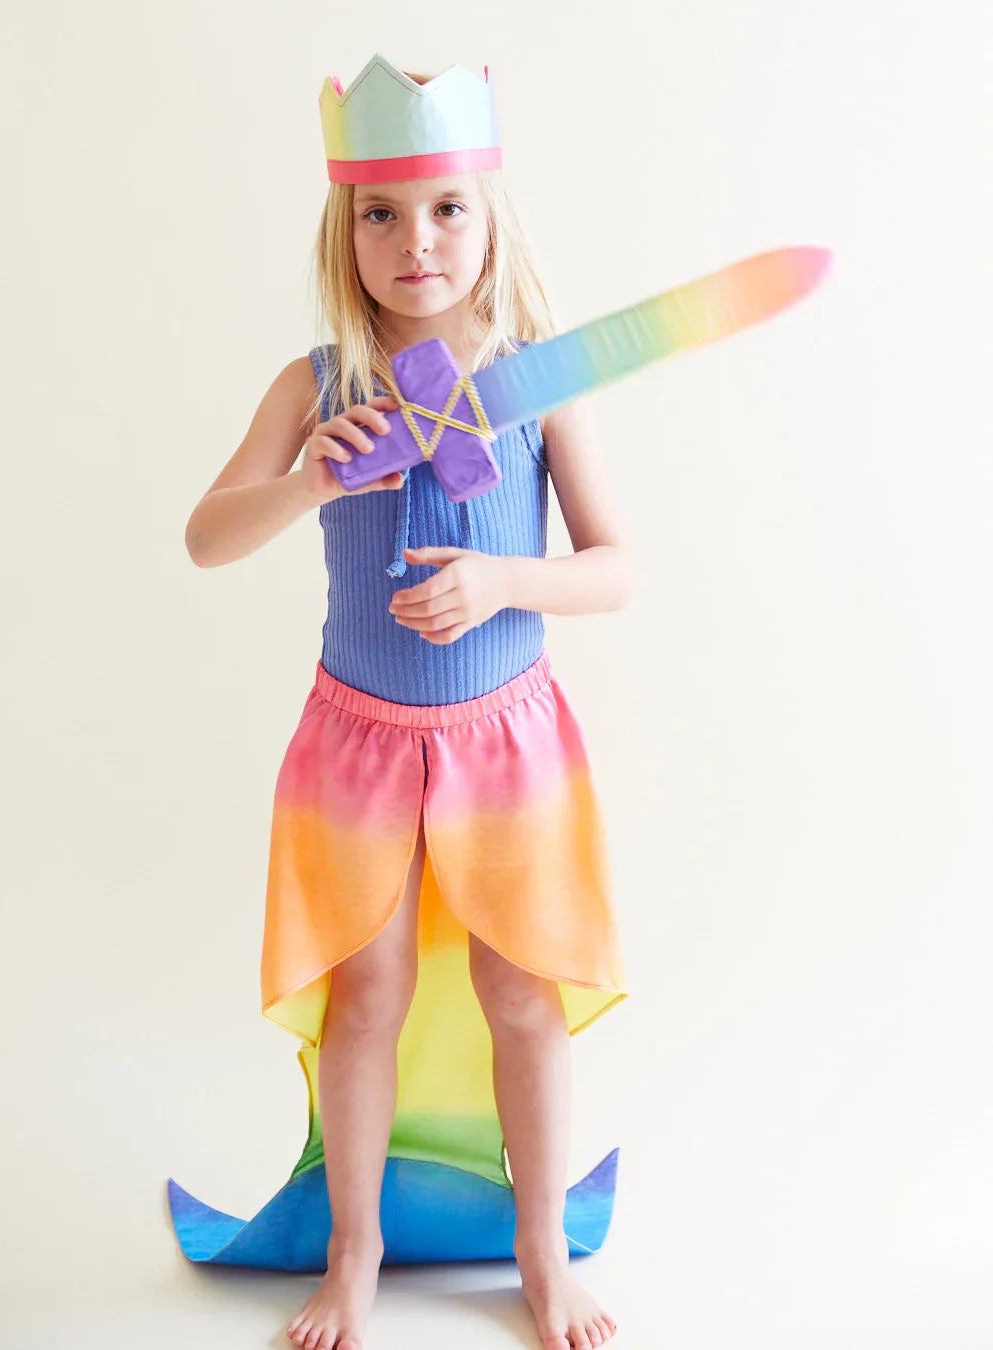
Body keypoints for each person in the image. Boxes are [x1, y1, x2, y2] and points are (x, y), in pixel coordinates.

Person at [185, 53, 630, 1350]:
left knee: (521, 993)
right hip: (358, 747)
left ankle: (539, 1250)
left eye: (445, 208)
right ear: (345, 228)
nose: (414, 240)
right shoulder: (316, 386)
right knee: (365, 997)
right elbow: (208, 537)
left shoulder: (537, 384)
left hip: (506, 746)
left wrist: (504, 581)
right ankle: (355, 1247)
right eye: (380, 212)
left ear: (492, 221)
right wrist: (311, 484)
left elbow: (616, 567)